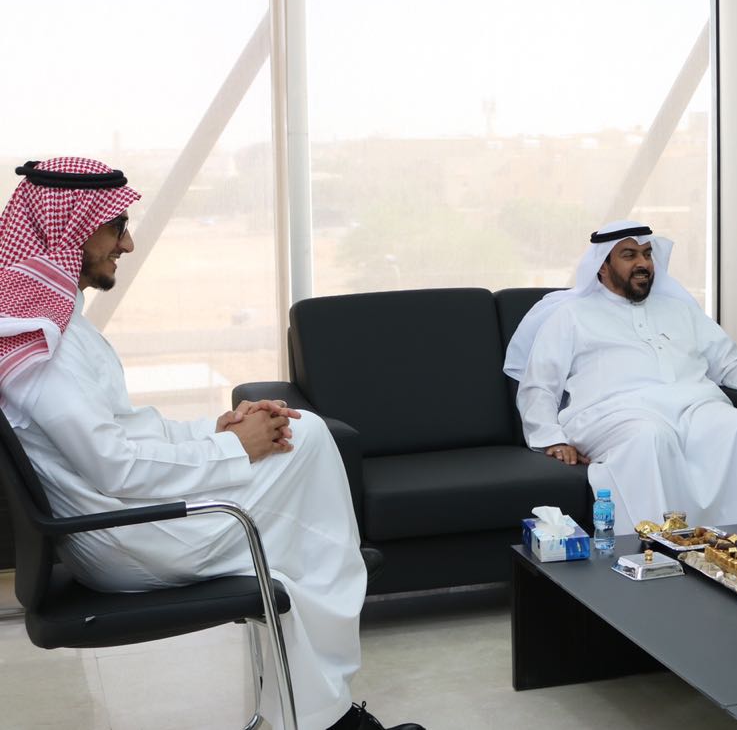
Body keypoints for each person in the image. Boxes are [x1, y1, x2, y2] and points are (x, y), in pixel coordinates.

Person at [0, 158, 421, 730]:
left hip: (125, 520)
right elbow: (115, 467)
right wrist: (237, 449)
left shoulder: (50, 325)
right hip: (125, 533)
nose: (126, 243)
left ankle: (320, 706)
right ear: (65, 228)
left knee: (301, 462)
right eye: (115, 225)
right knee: (308, 452)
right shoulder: (40, 344)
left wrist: (217, 431)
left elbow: (126, 429)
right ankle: (326, 706)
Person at [503, 220, 737, 531]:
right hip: (612, 414)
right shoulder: (571, 315)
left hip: (694, 408)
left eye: (647, 254)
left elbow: (727, 361)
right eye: (629, 255)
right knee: (650, 437)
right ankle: (652, 551)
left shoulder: (680, 310)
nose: (643, 263)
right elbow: (539, 385)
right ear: (602, 267)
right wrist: (552, 439)